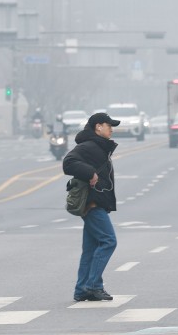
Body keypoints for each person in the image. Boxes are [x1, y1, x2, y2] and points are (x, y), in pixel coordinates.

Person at [62, 112, 121, 302]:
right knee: (108, 241)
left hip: (96, 202)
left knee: (90, 248)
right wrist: (89, 172)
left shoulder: (98, 146)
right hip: (93, 203)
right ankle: (93, 285)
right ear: (98, 127)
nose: (111, 129)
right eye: (108, 125)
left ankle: (81, 289)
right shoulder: (89, 146)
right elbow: (68, 162)